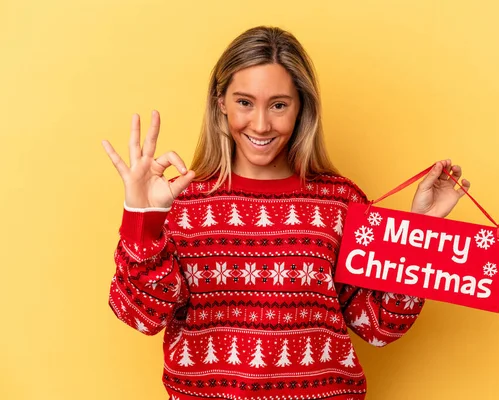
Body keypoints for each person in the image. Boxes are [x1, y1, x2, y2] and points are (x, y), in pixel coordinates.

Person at [102, 26, 470, 400]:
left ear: (301, 108)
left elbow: (380, 326)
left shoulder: (341, 202)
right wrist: (142, 215)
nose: (261, 124)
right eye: (245, 102)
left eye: (278, 105)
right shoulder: (179, 203)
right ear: (221, 103)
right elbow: (141, 316)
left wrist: (421, 233)